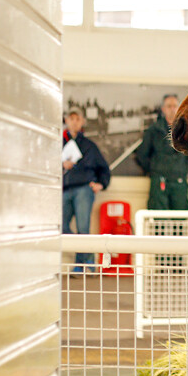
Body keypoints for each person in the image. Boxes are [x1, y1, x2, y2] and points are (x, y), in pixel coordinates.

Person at [62, 106, 110, 273]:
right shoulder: (57, 143)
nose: (74, 122)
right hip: (64, 189)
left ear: (82, 122)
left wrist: (100, 184)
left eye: (77, 119)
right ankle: (86, 254)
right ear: (66, 120)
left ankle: (81, 265)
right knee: (60, 227)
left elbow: (104, 169)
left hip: (84, 189)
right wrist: (61, 165)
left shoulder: (90, 146)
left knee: (84, 228)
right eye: (71, 118)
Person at [135, 94, 188, 211]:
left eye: (175, 106)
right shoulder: (154, 130)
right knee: (158, 220)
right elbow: (142, 154)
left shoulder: (187, 130)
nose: (172, 109)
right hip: (159, 180)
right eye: (169, 106)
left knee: (180, 220)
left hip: (180, 180)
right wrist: (154, 169)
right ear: (163, 109)